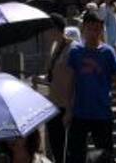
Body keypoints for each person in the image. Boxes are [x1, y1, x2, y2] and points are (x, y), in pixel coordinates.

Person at [66, 11, 116, 163]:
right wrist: (68, 110)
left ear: (102, 30)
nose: (93, 33)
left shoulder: (108, 52)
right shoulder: (75, 52)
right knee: (75, 157)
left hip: (102, 113)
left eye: (97, 29)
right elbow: (70, 83)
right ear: (83, 29)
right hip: (79, 113)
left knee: (105, 157)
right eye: (90, 29)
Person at [34, 13, 74, 163]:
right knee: (56, 148)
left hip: (66, 106)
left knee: (65, 150)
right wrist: (40, 79)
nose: (44, 33)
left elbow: (72, 80)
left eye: (47, 29)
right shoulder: (55, 48)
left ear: (55, 29)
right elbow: (53, 76)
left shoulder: (72, 49)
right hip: (54, 105)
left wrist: (69, 110)